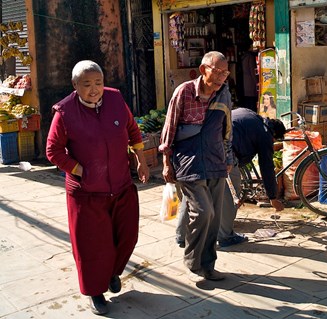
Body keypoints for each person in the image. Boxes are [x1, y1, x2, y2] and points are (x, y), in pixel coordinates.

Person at [46, 60, 150, 315]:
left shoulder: (115, 99)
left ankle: (113, 272)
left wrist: (141, 161)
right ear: (75, 86)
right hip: (86, 193)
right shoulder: (65, 112)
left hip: (121, 184)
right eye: (87, 84)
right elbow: (53, 150)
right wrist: (81, 171)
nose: (94, 89)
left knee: (127, 236)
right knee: (94, 247)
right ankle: (95, 292)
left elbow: (133, 131)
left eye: (98, 83)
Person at [158, 51, 233, 283]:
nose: (221, 77)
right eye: (217, 71)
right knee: (203, 212)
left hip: (215, 159)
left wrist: (228, 158)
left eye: (225, 72)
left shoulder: (224, 94)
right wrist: (166, 162)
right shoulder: (185, 91)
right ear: (203, 70)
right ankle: (193, 261)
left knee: (214, 216)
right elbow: (169, 128)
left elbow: (227, 128)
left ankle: (208, 265)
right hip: (189, 162)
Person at [175, 107, 286, 248]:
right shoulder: (265, 134)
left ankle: (182, 236)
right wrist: (273, 197)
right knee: (228, 197)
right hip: (223, 155)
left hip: (198, 147)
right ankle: (225, 236)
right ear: (274, 134)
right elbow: (267, 167)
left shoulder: (247, 113)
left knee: (193, 192)